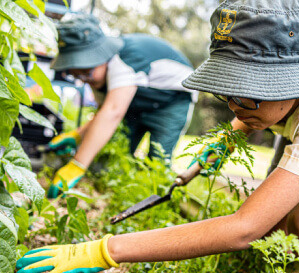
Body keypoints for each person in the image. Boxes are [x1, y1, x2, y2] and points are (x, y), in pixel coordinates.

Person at [17, 0, 299, 273]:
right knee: (277, 218)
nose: (235, 106)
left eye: (249, 93)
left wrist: (106, 250)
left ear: (289, 84)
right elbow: (256, 110)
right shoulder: (270, 98)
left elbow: (242, 228)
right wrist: (225, 140)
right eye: (227, 92)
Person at [47, 14, 197, 198]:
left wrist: (77, 165)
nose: (84, 79)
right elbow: (104, 113)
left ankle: (159, 202)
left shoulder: (123, 60)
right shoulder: (98, 78)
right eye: (77, 75)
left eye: (86, 71)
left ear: (101, 55)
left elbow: (113, 112)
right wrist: (78, 135)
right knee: (121, 155)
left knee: (157, 160)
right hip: (137, 104)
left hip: (171, 101)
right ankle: (122, 196)